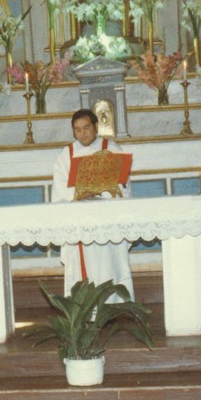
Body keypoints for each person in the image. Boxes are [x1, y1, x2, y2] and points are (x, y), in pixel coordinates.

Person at [52, 108, 134, 301]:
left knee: (108, 264)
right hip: (78, 219)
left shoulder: (111, 148)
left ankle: (113, 305)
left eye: (86, 128)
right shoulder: (67, 154)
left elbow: (123, 183)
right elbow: (60, 188)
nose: (82, 133)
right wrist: (80, 194)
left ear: (96, 127)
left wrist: (100, 191)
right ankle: (82, 311)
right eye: (77, 129)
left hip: (106, 219)